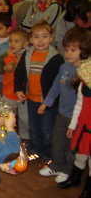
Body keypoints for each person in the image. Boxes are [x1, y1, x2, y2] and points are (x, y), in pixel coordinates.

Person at [38, 27, 91, 183]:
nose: (68, 53)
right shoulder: (64, 67)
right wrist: (46, 103)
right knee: (58, 141)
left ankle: (68, 170)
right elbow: (56, 87)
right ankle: (57, 165)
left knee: (72, 146)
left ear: (84, 50)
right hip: (62, 113)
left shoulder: (86, 71)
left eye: (73, 50)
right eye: (66, 49)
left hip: (79, 118)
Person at [15, 21, 64, 161]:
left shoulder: (56, 58)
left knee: (47, 129)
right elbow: (19, 73)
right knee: (33, 127)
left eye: (44, 36)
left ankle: (48, 153)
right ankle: (36, 148)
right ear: (30, 39)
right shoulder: (27, 54)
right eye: (36, 37)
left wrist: (50, 101)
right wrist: (19, 89)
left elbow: (57, 84)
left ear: (51, 38)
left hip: (48, 102)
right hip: (31, 99)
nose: (40, 40)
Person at [57, 58, 91, 198]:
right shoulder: (83, 85)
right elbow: (79, 105)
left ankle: (88, 191)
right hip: (83, 127)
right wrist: (73, 125)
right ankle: (74, 178)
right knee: (80, 155)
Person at [0, 29, 30, 140]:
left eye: (16, 41)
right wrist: (5, 68)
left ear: (25, 43)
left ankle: (25, 140)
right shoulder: (6, 54)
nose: (12, 44)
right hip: (7, 93)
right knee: (3, 116)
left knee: (24, 119)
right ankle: (0, 139)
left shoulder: (28, 55)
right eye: (11, 41)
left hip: (23, 95)